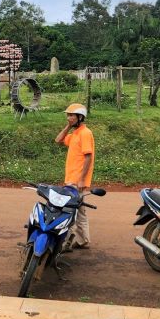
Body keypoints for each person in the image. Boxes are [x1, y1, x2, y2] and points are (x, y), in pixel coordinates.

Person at [55, 103, 95, 251]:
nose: (68, 117)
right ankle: (84, 240)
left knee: (68, 210)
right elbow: (58, 140)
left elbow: (88, 157)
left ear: (80, 117)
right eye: (68, 115)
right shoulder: (76, 134)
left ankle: (66, 242)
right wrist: (67, 126)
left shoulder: (85, 133)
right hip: (72, 179)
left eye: (71, 115)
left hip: (76, 181)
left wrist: (82, 179)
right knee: (81, 211)